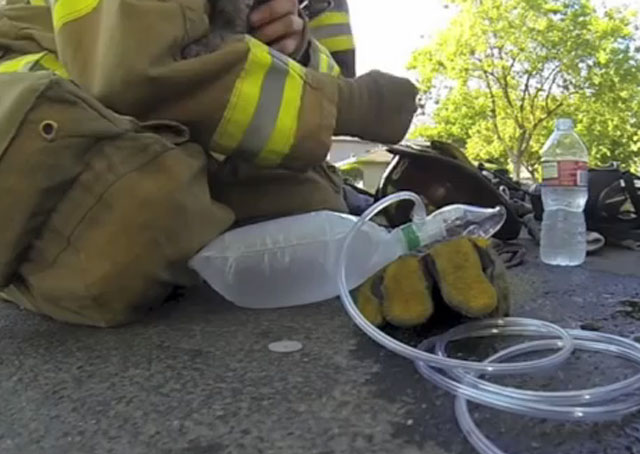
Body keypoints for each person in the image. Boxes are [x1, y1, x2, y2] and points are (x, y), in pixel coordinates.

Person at [0, 0, 508, 327]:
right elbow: (132, 74)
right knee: (144, 211)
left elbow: (318, 92)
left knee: (307, 201)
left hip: (181, 133)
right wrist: (364, 103)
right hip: (56, 115)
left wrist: (300, 49)